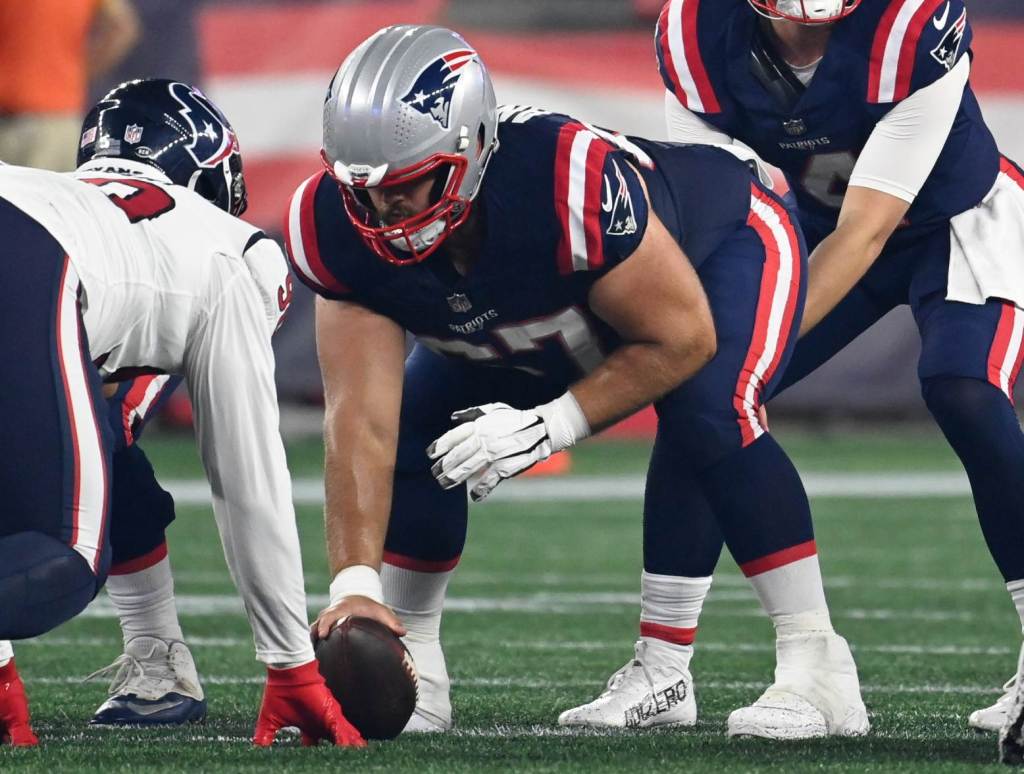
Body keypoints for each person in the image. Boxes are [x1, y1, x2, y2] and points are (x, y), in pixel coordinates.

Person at [290, 24, 867, 739]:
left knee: (710, 409)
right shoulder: (331, 226)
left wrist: (549, 425)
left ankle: (817, 665)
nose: (385, 214)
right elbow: (360, 421)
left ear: (469, 152)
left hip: (724, 248)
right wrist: (354, 586)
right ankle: (422, 672)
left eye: (409, 187)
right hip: (537, 318)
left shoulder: (562, 179)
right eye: (362, 191)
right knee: (412, 424)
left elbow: (681, 338)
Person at [654, 0, 1024, 758]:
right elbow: (704, 208)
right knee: (703, 394)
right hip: (814, 228)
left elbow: (869, 229)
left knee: (962, 384)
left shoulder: (911, 26)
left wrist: (750, 342)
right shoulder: (695, 31)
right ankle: (661, 670)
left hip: (953, 216)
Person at [0, 78, 362, 748]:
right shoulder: (233, 251)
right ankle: (158, 656)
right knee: (66, 555)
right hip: (25, 262)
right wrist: (290, 665)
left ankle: (157, 659)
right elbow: (246, 476)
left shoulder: (71, 204)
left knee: (85, 467)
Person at [0, 0, 140, 171]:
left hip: (33, 119)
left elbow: (121, 27)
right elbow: (121, 27)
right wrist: (78, 73)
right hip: (59, 119)